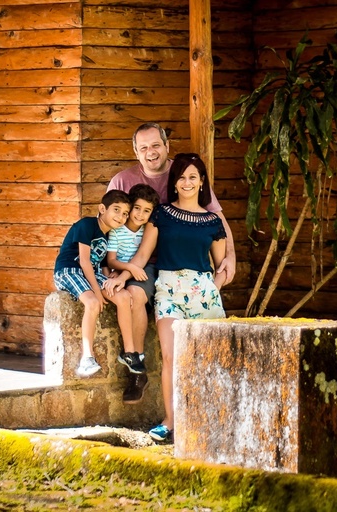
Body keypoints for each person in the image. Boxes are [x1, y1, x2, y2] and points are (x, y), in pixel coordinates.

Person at [134, 153, 226, 443]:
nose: (187, 182)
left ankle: (210, 417)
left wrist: (213, 288)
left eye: (193, 177)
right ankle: (170, 421)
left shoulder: (212, 221)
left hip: (203, 292)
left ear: (201, 183)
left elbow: (221, 264)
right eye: (182, 177)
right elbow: (143, 256)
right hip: (169, 290)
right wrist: (121, 276)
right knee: (171, 357)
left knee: (211, 359)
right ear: (174, 182)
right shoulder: (161, 214)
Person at [107, 123, 236, 288]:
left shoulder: (186, 174)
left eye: (155, 145)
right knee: (134, 295)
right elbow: (104, 225)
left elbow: (217, 219)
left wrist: (230, 257)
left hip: (181, 262)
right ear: (136, 153)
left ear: (167, 146)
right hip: (136, 261)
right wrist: (111, 267)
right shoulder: (121, 181)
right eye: (143, 148)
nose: (151, 152)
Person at [52, 189, 145, 378]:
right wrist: (97, 291)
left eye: (125, 213)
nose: (121, 216)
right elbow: (84, 261)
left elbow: (101, 265)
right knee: (93, 303)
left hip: (90, 273)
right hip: (70, 269)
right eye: (116, 210)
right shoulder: (87, 225)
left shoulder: (108, 235)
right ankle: (87, 357)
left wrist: (110, 278)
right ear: (102, 209)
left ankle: (129, 352)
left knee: (124, 296)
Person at [103, 182, 159, 403]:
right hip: (122, 268)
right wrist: (113, 274)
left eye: (146, 211)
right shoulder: (117, 230)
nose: (140, 214)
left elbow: (142, 258)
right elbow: (109, 258)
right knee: (127, 297)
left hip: (142, 269)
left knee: (136, 295)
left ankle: (137, 365)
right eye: (137, 208)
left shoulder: (149, 229)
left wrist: (127, 272)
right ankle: (135, 363)